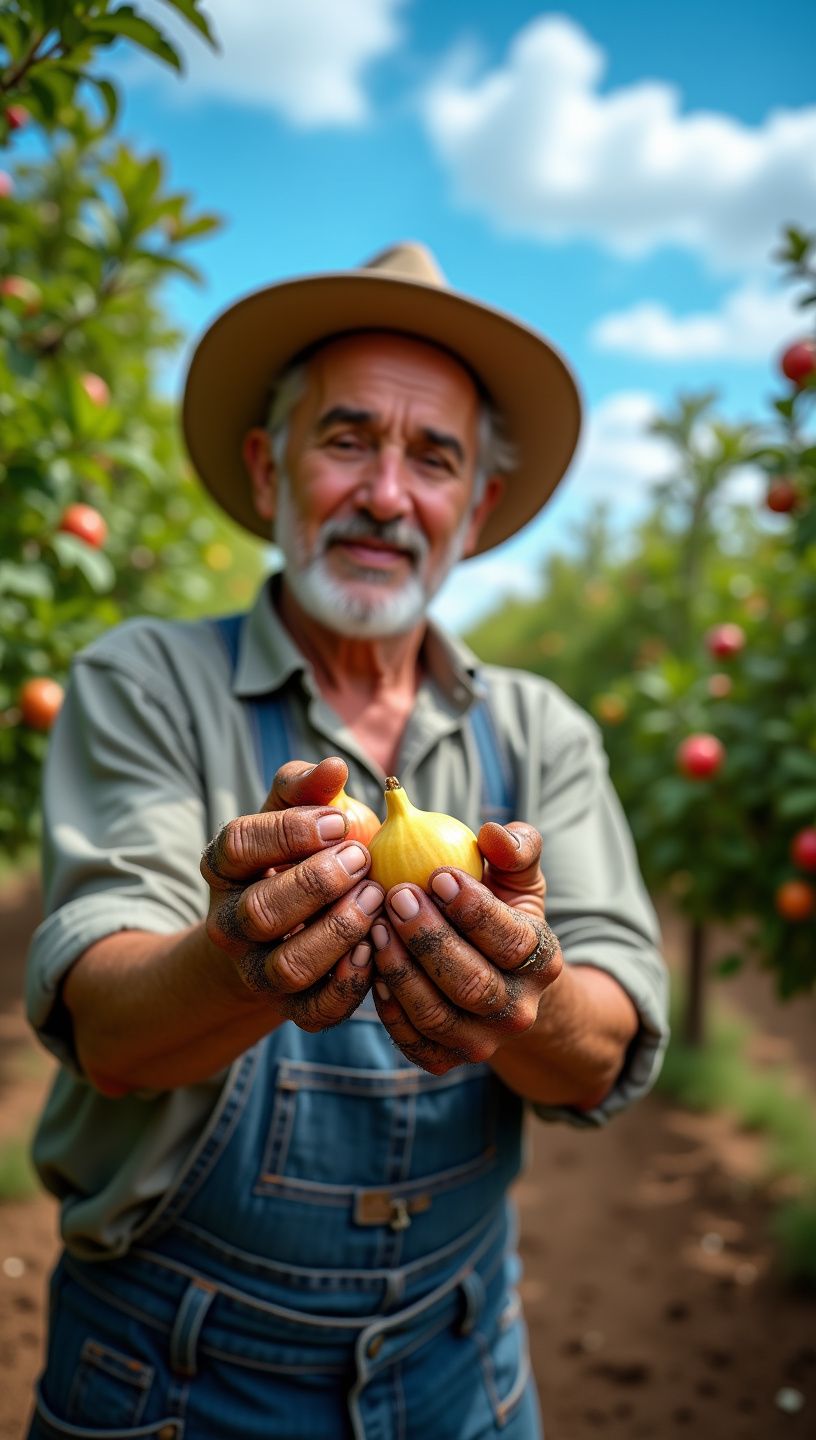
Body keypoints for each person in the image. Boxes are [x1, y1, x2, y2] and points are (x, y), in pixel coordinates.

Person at [25, 242, 669, 1440]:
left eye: (433, 458)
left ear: (473, 510)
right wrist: (236, 961)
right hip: (172, 1372)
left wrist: (526, 994)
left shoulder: (542, 731)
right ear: (270, 467)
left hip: (463, 1366)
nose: (385, 492)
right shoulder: (145, 683)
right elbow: (107, 1029)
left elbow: (606, 1048)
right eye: (346, 439)